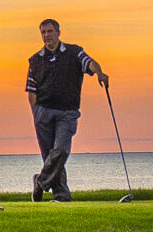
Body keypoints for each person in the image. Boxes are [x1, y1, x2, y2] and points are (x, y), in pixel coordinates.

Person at [24, 18, 107, 202]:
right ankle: (61, 196)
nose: (47, 35)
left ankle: (40, 182)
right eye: (43, 32)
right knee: (50, 157)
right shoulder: (36, 60)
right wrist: (35, 113)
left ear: (58, 32)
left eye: (50, 31)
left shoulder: (74, 52)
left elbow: (90, 63)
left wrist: (99, 73)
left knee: (60, 150)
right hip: (43, 112)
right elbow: (31, 90)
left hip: (67, 112)